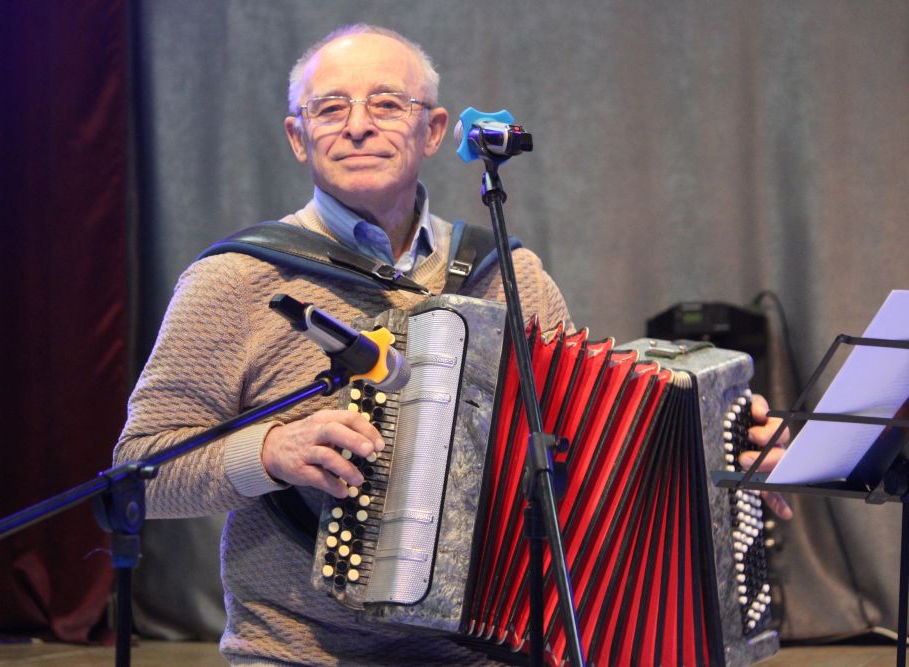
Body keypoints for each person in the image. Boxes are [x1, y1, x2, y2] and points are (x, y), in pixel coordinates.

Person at [114, 24, 789, 666]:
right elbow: (141, 472)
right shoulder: (237, 280)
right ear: (298, 136)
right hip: (301, 653)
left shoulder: (508, 271)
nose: (357, 125)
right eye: (330, 108)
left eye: (387, 103)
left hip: (491, 652)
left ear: (433, 130)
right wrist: (267, 453)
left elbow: (587, 448)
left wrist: (717, 452)